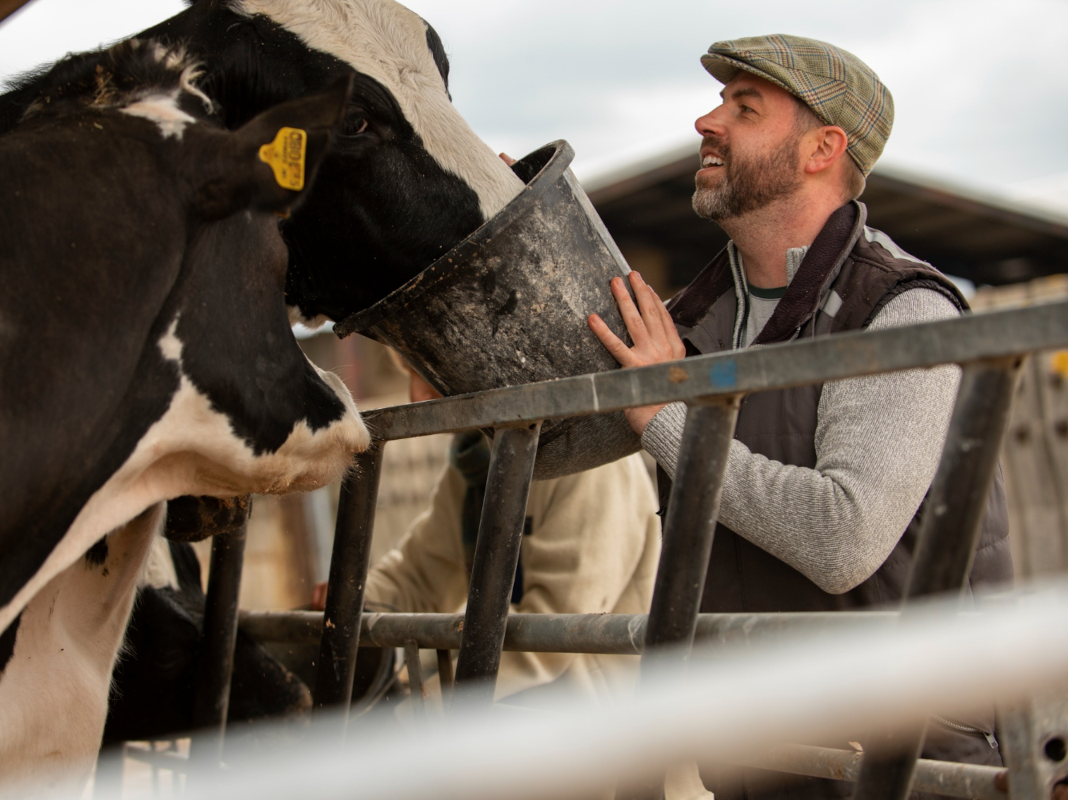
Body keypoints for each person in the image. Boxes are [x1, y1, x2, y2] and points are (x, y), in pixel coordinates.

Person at [588, 35, 1012, 799]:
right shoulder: (692, 321)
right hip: (762, 757)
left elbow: (842, 538)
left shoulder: (900, 308)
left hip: (903, 763)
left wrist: (665, 416)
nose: (705, 123)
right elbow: (564, 442)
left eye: (743, 109)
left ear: (823, 148)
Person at [314, 363, 712, 800]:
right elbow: (421, 569)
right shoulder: (474, 466)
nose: (415, 396)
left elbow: (559, 624)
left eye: (426, 369)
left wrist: (429, 703)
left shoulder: (585, 466)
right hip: (529, 729)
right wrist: (346, 601)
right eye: (409, 373)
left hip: (609, 740)